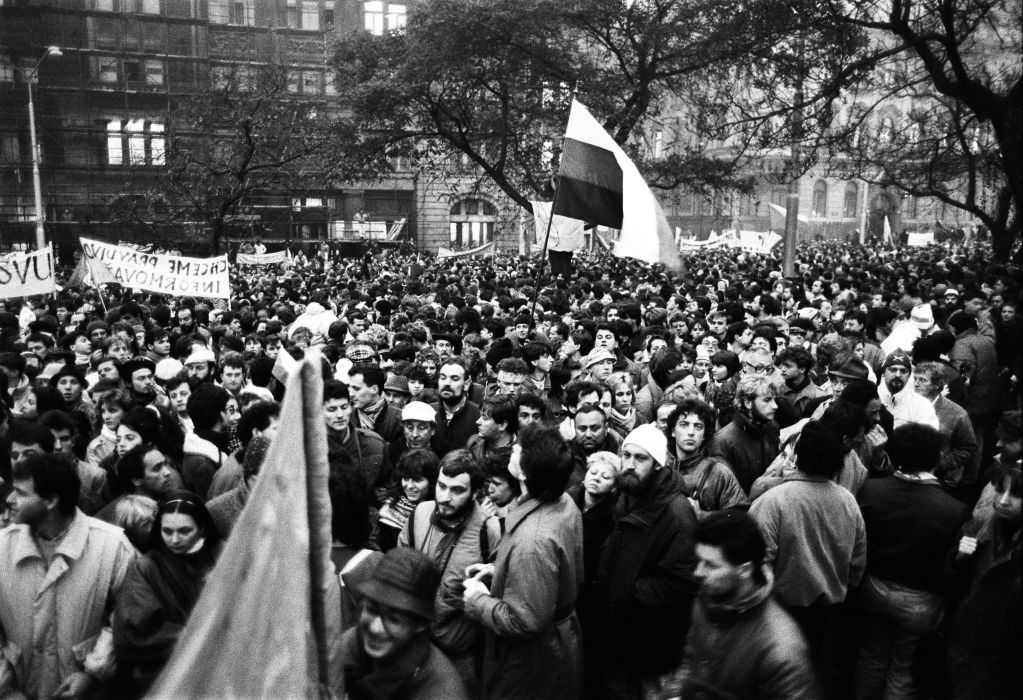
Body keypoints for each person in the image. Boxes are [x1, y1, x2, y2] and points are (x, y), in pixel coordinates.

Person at [462, 423, 584, 700]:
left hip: (531, 662)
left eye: (518, 449)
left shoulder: (533, 541)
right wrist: (501, 570)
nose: (513, 448)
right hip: (559, 639)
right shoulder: (563, 501)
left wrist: (478, 601)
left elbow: (524, 621)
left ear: (526, 473)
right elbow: (553, 571)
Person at [0, 453, 136, 699]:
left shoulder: (112, 546)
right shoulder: (2, 547)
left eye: (20, 493)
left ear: (50, 500)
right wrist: (5, 688)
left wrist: (92, 674)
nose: (10, 499)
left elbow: (126, 618)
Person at [749, 420, 866, 696]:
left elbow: (756, 563)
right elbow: (857, 562)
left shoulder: (771, 501)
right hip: (829, 616)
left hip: (778, 617)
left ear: (798, 456)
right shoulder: (848, 501)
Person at [855, 423, 970, 700]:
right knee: (903, 671)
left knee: (871, 658)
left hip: (873, 588)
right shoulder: (954, 509)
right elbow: (950, 565)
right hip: (920, 603)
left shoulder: (871, 491)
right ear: (937, 457)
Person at [666, 510, 819, 699]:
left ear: (744, 570)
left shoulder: (781, 648)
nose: (698, 572)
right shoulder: (707, 601)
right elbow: (691, 661)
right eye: (699, 561)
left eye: (710, 565)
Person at [595, 423, 698, 699]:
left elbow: (682, 582)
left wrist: (630, 590)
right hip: (621, 635)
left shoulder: (677, 513)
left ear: (657, 465)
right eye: (626, 455)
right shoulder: (628, 494)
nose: (630, 464)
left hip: (652, 643)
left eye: (640, 458)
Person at [399, 449, 501, 691]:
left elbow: (501, 592)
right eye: (442, 486)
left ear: (474, 493)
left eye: (457, 490)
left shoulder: (489, 531)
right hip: (415, 645)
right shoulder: (420, 514)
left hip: (460, 656)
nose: (445, 497)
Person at [113, 491, 221, 698]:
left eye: (184, 531)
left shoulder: (225, 554)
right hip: (173, 678)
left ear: (202, 527)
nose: (175, 539)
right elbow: (134, 631)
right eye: (167, 531)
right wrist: (199, 635)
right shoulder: (147, 568)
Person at [341, 546, 468, 699]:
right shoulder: (354, 641)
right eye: (371, 610)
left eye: (394, 619)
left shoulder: (441, 691)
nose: (375, 628)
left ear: (420, 624)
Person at [708, 374, 781, 494]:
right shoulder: (723, 441)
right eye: (767, 400)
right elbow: (728, 492)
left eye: (774, 399)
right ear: (747, 403)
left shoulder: (770, 430)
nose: (775, 406)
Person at [376, 449, 439, 552]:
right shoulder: (389, 515)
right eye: (405, 478)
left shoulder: (439, 512)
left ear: (431, 481)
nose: (409, 486)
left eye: (417, 480)